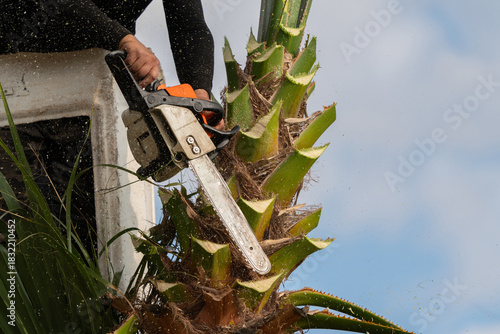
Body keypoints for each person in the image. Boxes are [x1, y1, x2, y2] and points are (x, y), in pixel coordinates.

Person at [0, 0, 217, 252]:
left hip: (93, 91)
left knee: (88, 236)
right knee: (11, 225)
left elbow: (189, 27)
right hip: (13, 86)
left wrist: (199, 95)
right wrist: (123, 38)